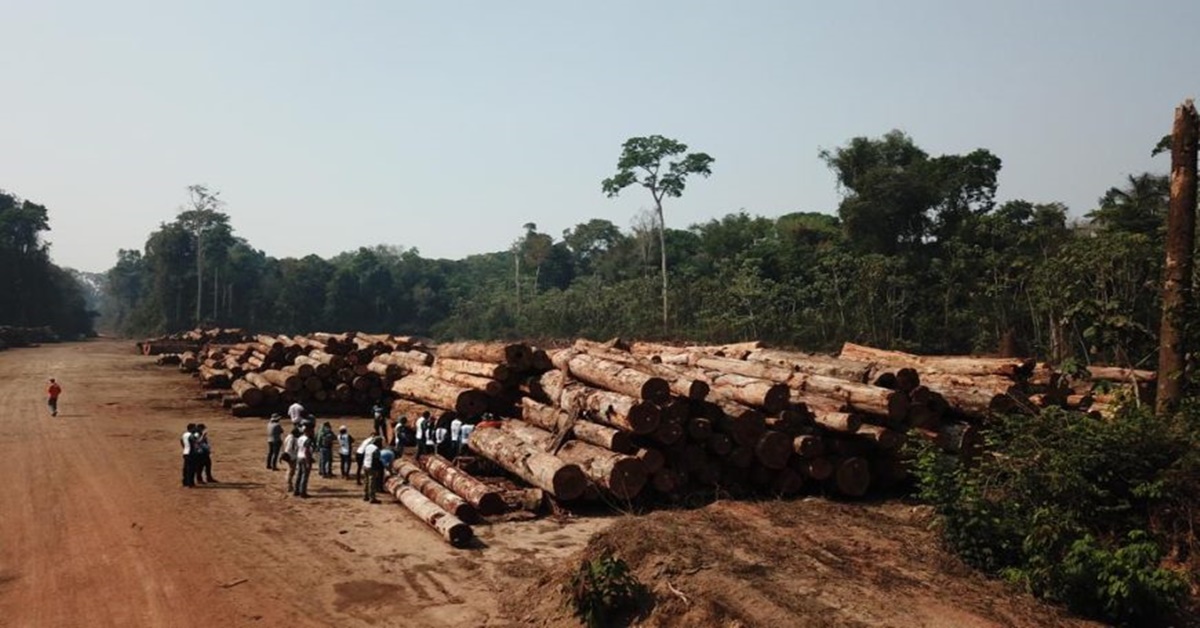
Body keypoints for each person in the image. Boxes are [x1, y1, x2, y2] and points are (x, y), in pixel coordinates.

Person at [294, 424, 314, 498]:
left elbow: (297, 448)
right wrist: (308, 462)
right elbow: (307, 451)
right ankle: (303, 492)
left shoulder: (300, 438)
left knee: (299, 474)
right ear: (308, 431)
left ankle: (296, 490)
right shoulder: (308, 440)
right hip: (305, 458)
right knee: (304, 476)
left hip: (299, 456)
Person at [362, 436, 381, 503]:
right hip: (371, 466)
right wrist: (377, 469)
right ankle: (372, 498)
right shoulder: (376, 449)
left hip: (365, 465)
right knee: (372, 483)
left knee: (366, 481)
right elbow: (376, 460)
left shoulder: (368, 446)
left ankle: (365, 495)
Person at [282, 426, 300, 493]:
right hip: (291, 457)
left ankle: (289, 485)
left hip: (290, 456)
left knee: (290, 471)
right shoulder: (292, 439)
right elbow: (289, 449)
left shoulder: (289, 437)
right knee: (291, 472)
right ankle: (289, 486)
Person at [181, 423, 197, 488]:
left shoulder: (184, 434)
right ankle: (190, 483)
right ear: (191, 428)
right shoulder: (191, 435)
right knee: (191, 468)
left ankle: (185, 482)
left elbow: (181, 441)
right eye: (194, 428)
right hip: (191, 453)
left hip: (185, 452)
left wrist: (184, 447)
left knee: (186, 468)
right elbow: (195, 441)